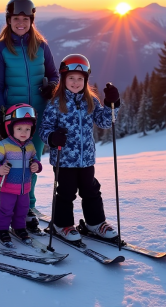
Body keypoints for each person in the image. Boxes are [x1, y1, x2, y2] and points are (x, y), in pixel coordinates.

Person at [0, 0, 59, 234]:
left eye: (25, 19)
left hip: (37, 117)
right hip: (13, 118)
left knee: (31, 164)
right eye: (16, 19)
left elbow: (54, 75)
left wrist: (51, 86)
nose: (21, 23)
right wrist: (0, 117)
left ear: (31, 20)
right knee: (6, 165)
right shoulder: (0, 49)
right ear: (9, 20)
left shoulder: (41, 46)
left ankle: (26, 208)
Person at [40, 54, 122, 241]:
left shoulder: (89, 101)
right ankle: (62, 225)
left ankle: (95, 223)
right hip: (64, 158)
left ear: (85, 80)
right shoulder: (55, 103)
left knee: (91, 190)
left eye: (80, 78)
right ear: (63, 79)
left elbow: (105, 122)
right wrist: (53, 137)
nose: (75, 82)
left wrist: (112, 104)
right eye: (71, 78)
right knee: (66, 192)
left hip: (86, 159)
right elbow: (44, 129)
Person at [0, 103, 43, 246]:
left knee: (22, 209)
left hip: (24, 188)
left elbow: (34, 159)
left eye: (27, 129)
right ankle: (1, 229)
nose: (24, 132)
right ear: (11, 128)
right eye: (19, 129)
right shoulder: (4, 145)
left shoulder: (30, 146)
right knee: (5, 209)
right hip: (7, 187)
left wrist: (37, 165)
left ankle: (19, 228)